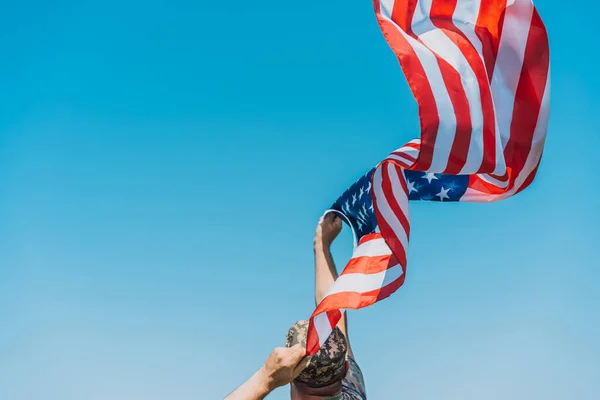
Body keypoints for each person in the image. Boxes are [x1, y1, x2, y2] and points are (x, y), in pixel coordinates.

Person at [226, 214, 367, 399]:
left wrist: (265, 378)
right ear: (345, 368)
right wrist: (322, 246)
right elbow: (334, 313)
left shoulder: (354, 386)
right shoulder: (353, 393)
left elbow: (335, 318)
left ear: (289, 376)